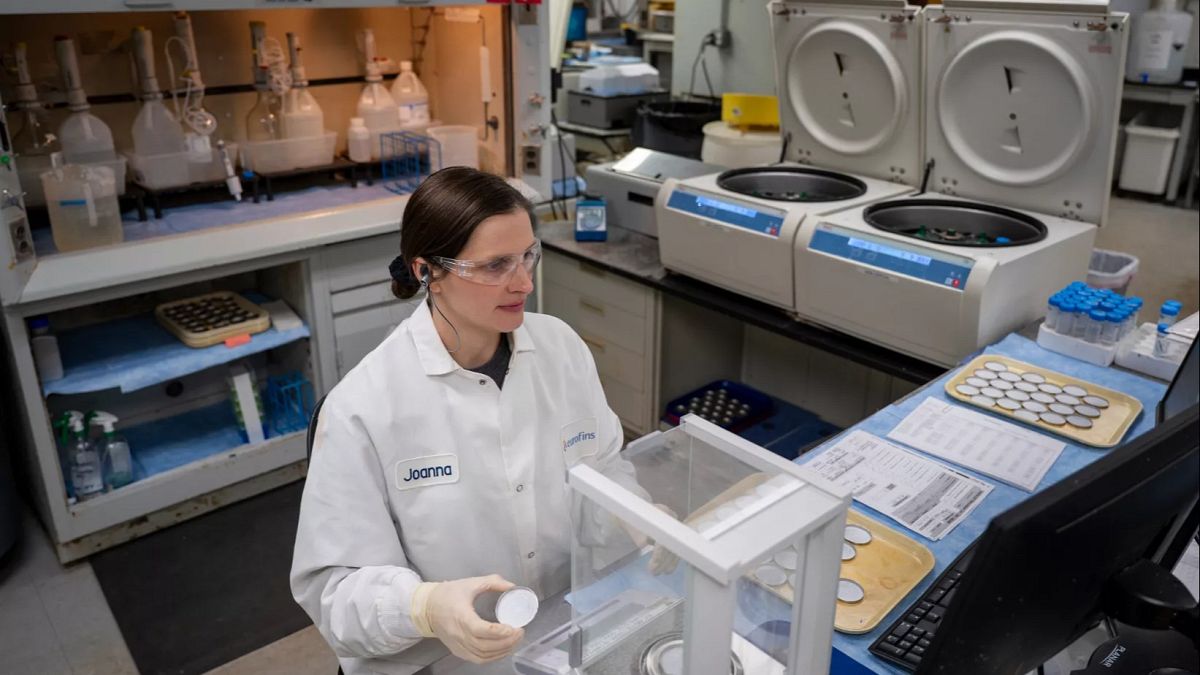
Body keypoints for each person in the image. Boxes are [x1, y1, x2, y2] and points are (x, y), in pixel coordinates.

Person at [290, 167, 644, 675]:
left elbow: (607, 469)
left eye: (527, 256)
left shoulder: (562, 348)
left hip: (566, 635)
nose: (523, 282)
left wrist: (640, 520)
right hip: (443, 662)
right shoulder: (362, 408)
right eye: (495, 265)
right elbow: (336, 595)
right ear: (427, 272)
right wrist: (425, 607)